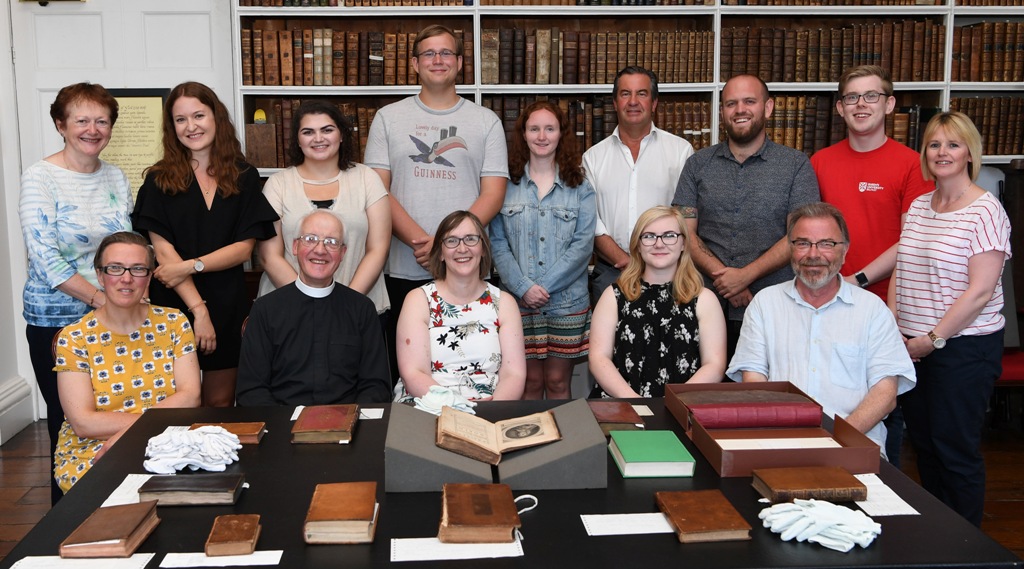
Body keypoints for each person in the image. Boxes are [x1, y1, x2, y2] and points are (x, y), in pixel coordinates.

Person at [364, 24, 508, 384]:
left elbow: (493, 193)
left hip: (469, 270)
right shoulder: (388, 118)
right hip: (404, 269)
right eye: (429, 53)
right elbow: (377, 192)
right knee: (409, 372)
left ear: (460, 62)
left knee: (475, 366)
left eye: (446, 53)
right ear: (414, 63)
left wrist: (448, 244)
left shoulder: (486, 121)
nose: (437, 60)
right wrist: (426, 246)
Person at [890, 111, 1011, 527]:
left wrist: (933, 338)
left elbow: (979, 292)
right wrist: (895, 326)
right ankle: (938, 532)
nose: (943, 152)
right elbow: (902, 268)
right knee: (923, 445)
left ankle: (965, 543)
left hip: (961, 349)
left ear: (969, 153)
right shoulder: (922, 204)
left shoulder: (985, 211)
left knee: (954, 450)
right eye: (934, 144)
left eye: (953, 144)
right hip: (912, 346)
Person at [812, 65, 933, 466]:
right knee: (832, 392)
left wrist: (859, 279)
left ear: (890, 104)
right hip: (827, 301)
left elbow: (912, 237)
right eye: (851, 97)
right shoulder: (820, 162)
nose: (861, 104)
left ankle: (886, 488)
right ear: (840, 109)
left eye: (871, 96)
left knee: (883, 404)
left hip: (888, 304)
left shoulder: (914, 164)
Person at [18, 82, 133, 504]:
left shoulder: (115, 176)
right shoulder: (40, 176)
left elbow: (126, 242)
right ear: (60, 125)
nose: (92, 128)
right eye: (82, 120)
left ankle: (118, 507)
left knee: (114, 411)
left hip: (114, 313)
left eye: (102, 120)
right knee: (68, 421)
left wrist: (126, 297)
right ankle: (64, 518)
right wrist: (103, 300)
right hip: (57, 319)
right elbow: (46, 257)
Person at [132, 81, 278, 407]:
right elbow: (165, 254)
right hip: (173, 304)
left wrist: (191, 265)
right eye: (181, 119)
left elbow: (243, 249)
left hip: (228, 302)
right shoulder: (158, 180)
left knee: (221, 403)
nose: (191, 126)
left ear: (216, 117)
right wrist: (199, 311)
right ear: (172, 128)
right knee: (174, 404)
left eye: (199, 115)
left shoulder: (244, 176)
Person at [727, 202, 915, 454]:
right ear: (791, 250)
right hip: (779, 444)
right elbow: (753, 381)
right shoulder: (765, 303)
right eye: (803, 243)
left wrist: (833, 441)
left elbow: (885, 393)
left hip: (853, 444)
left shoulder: (872, 310)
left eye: (826, 243)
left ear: (845, 250)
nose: (813, 254)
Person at [674, 74, 820, 357]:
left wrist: (744, 276)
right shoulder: (697, 165)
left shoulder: (796, 166)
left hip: (774, 305)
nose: (739, 110)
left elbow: (799, 235)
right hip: (703, 303)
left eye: (749, 101)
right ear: (722, 112)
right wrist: (727, 280)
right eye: (731, 103)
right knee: (701, 394)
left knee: (764, 394)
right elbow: (683, 230)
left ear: (768, 108)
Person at [53, 232, 200, 493]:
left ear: (150, 275)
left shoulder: (174, 323)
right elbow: (83, 423)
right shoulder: (75, 338)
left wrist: (133, 431)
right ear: (100, 275)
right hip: (94, 450)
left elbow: (190, 397)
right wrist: (144, 427)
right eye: (115, 268)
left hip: (167, 442)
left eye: (138, 269)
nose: (127, 278)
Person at [490, 101, 596, 400]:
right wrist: (524, 288)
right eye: (534, 128)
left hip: (566, 303)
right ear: (523, 134)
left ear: (562, 133)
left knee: (558, 382)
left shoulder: (580, 186)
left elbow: (583, 246)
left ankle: (564, 446)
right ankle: (531, 445)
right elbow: (497, 242)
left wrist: (542, 287)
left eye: (549, 128)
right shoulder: (505, 184)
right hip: (516, 302)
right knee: (529, 383)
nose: (541, 136)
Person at [256, 100, 391, 336]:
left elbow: (378, 249)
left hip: (357, 311)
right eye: (308, 132)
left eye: (327, 130)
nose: (318, 138)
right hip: (288, 313)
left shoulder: (366, 178)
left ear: (341, 135)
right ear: (298, 140)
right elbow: (269, 256)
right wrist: (309, 302)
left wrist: (344, 304)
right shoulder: (277, 184)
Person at [237, 211, 391, 406]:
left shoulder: (362, 309)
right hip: (281, 426)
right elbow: (251, 390)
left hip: (347, 426)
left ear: (343, 253)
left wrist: (350, 421)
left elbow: (376, 386)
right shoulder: (265, 310)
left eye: (332, 242)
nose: (320, 250)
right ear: (295, 246)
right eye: (310, 239)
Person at [590, 206, 727, 398]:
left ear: (683, 244)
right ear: (637, 244)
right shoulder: (613, 296)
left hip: (682, 407)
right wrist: (635, 402)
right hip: (621, 406)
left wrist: (673, 402)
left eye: (669, 235)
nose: (659, 244)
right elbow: (598, 358)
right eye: (649, 236)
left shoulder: (704, 299)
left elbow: (714, 365)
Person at [583, 66, 694, 301]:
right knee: (608, 338)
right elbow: (590, 220)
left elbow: (686, 216)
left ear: (654, 102)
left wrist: (656, 259)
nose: (633, 101)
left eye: (641, 93)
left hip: (670, 272)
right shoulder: (593, 158)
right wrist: (626, 261)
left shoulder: (680, 151)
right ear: (615, 103)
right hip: (611, 272)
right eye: (625, 94)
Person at [394, 211, 526, 402]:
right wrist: (459, 407)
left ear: (483, 248)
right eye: (452, 241)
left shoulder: (504, 303)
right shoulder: (418, 300)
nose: (462, 248)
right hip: (429, 405)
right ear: (440, 253)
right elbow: (414, 373)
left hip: (491, 407)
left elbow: (514, 375)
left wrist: (493, 410)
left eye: (471, 239)